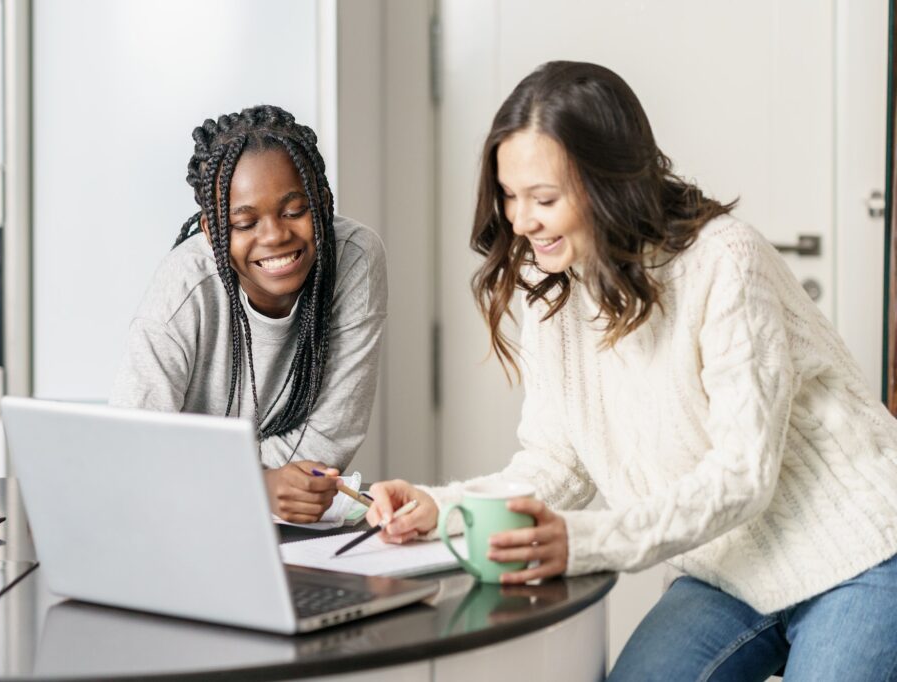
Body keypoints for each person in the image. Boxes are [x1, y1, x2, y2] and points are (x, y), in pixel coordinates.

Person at [367, 61, 897, 679]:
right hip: (734, 569)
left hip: (860, 552)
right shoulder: (554, 288)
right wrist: (442, 509)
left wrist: (584, 541)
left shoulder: (725, 259)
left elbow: (743, 475)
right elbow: (557, 463)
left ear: (609, 182)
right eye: (509, 195)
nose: (519, 221)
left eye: (544, 198)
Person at [110, 104, 386, 524]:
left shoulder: (354, 258)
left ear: (324, 202)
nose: (275, 235)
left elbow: (332, 435)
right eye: (244, 222)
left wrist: (255, 484)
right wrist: (257, 485)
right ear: (212, 229)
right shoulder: (185, 288)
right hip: (176, 518)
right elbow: (132, 453)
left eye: (295, 211)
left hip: (286, 522)